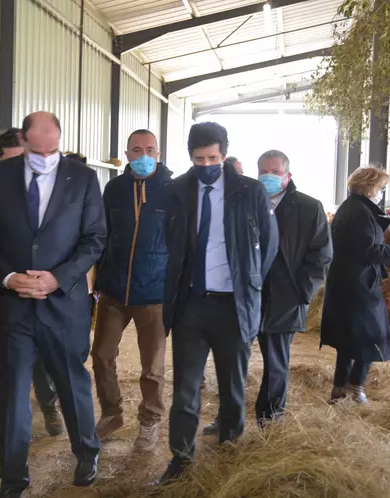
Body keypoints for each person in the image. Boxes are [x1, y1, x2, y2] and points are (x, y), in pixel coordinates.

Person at [0, 111, 105, 497]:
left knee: (71, 381)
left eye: (54, 150)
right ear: (24, 140)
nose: (46, 157)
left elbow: (94, 238)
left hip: (62, 304)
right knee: (14, 390)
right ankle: (13, 477)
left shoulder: (82, 178)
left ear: (60, 142)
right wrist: (7, 276)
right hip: (13, 304)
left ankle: (86, 453)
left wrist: (59, 277)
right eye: (38, 149)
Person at [156, 122, 278, 485]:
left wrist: (249, 282)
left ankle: (229, 454)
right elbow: (172, 241)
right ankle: (180, 459)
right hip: (191, 304)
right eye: (198, 158)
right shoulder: (178, 189)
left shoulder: (249, 190)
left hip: (233, 304)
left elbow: (268, 245)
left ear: (224, 154)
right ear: (190, 157)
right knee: (185, 388)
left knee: (233, 386)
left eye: (213, 157)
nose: (206, 164)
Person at [203, 150, 332, 434]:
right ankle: (227, 416)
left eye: (275, 172)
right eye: (263, 171)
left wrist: (302, 291)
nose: (268, 177)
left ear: (288, 175)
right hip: (245, 295)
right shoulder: (243, 201)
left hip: (284, 298)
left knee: (276, 363)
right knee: (232, 360)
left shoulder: (309, 208)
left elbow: (321, 254)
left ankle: (271, 420)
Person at [0, 127, 63, 450]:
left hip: (40, 291)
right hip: (0, 293)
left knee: (43, 356)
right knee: (1, 361)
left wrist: (46, 279)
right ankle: (4, 417)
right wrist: (3, 277)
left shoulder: (48, 189)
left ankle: (50, 408)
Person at [91, 129, 172, 451]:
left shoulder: (172, 191)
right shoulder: (114, 189)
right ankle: (112, 414)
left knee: (152, 366)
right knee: (101, 355)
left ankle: (150, 421)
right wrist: (96, 283)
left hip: (154, 292)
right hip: (114, 291)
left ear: (158, 152)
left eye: (149, 149)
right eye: (136, 150)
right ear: (127, 154)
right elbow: (100, 235)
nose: (143, 156)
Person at [320, 166, 390, 404]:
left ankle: (339, 389)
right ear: (369, 186)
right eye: (380, 188)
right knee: (371, 335)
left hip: (348, 280)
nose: (381, 192)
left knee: (349, 337)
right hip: (359, 283)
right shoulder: (360, 212)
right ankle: (356, 387)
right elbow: (367, 250)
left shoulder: (352, 208)